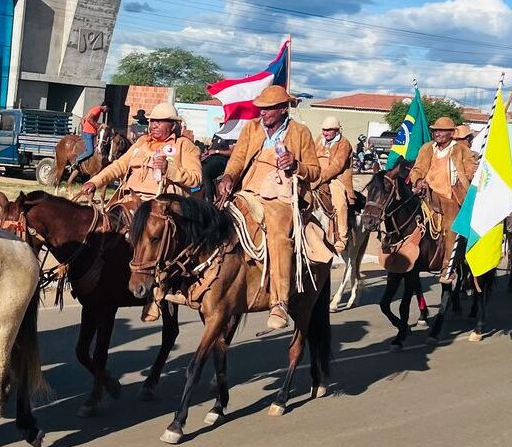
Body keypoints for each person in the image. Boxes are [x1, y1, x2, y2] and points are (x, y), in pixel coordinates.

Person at [214, 86, 321, 331]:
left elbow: (315, 172)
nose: (263, 112)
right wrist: (229, 175)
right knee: (213, 220)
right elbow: (238, 159)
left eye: (269, 108)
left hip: (280, 196)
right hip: (248, 190)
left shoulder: (300, 132)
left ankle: (280, 301)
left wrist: (296, 164)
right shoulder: (251, 128)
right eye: (261, 108)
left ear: (283, 109)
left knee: (278, 234)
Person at [79, 102, 202, 203]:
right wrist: (95, 182)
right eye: (153, 121)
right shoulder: (142, 142)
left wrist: (169, 169)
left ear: (173, 125)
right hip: (130, 198)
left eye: (160, 122)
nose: (154, 125)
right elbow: (119, 165)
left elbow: (196, 179)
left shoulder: (185, 146)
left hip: (162, 203)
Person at [407, 117, 477, 275]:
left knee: (451, 225)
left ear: (451, 133)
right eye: (435, 130)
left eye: (441, 131)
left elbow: (470, 170)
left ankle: (447, 265)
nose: (437, 133)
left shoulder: (461, 150)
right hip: (426, 191)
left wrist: (466, 177)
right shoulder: (427, 148)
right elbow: (418, 168)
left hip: (449, 195)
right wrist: (418, 180)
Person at [311, 115, 354, 254]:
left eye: (329, 130)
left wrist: (320, 178)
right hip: (316, 175)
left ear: (337, 130)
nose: (325, 133)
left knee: (339, 202)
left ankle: (341, 237)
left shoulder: (344, 144)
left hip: (337, 178)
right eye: (324, 130)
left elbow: (337, 166)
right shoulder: (319, 140)